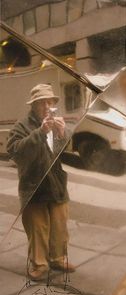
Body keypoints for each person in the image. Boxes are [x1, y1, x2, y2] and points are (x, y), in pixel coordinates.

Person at [7, 83, 75, 281]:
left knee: (60, 226)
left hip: (56, 184)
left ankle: (58, 258)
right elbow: (16, 152)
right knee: (37, 228)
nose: (47, 106)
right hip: (33, 185)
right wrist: (40, 132)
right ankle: (40, 264)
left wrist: (63, 134)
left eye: (50, 102)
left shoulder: (56, 122)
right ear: (34, 105)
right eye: (42, 103)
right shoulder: (22, 126)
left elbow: (62, 150)